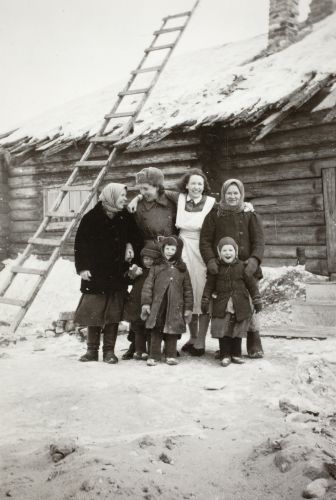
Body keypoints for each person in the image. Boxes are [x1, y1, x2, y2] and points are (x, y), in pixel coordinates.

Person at [74, 183, 143, 364]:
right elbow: (80, 245)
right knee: (94, 313)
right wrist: (82, 268)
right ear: (110, 196)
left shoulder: (125, 217)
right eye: (121, 196)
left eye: (125, 196)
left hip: (117, 273)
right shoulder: (91, 218)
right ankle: (91, 351)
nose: (124, 199)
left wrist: (130, 246)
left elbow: (136, 238)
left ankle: (109, 352)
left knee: (113, 314)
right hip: (95, 274)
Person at [200, 178, 265, 358]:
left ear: (241, 194)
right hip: (222, 269)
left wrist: (253, 261)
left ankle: (254, 343)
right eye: (229, 193)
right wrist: (211, 261)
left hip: (247, 269)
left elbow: (259, 241)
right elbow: (205, 241)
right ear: (223, 194)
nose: (232, 196)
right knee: (226, 309)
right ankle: (227, 346)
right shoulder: (215, 214)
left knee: (249, 307)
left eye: (236, 193)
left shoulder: (250, 215)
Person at [122, 166, 178, 360]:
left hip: (168, 254)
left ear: (157, 186)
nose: (142, 193)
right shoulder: (137, 205)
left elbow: (196, 204)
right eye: (140, 189)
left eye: (146, 188)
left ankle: (165, 343)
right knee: (140, 298)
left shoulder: (172, 201)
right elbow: (129, 229)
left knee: (164, 299)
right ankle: (135, 344)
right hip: (145, 255)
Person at [201, 237, 262, 367]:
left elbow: (251, 285)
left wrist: (256, 299)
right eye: (224, 250)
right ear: (219, 253)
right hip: (222, 304)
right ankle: (225, 354)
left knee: (237, 329)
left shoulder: (242, 267)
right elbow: (209, 286)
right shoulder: (215, 269)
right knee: (223, 329)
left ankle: (236, 354)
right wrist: (205, 299)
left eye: (230, 250)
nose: (227, 253)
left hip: (239, 303)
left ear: (236, 251)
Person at [141, 236, 193, 366]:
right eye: (167, 248)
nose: (170, 251)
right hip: (158, 305)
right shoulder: (156, 266)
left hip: (175, 306)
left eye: (173, 249)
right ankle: (154, 355)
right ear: (163, 249)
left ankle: (171, 355)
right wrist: (146, 303)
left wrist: (188, 308)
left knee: (172, 330)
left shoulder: (182, 268)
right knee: (156, 329)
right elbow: (148, 286)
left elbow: (188, 289)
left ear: (178, 250)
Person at [123, 241, 161, 360]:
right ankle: (140, 350)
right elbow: (129, 277)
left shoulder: (157, 272)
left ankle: (151, 351)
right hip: (137, 304)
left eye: (151, 259)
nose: (148, 262)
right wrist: (133, 272)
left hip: (150, 304)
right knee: (138, 328)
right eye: (146, 259)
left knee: (150, 328)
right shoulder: (140, 271)